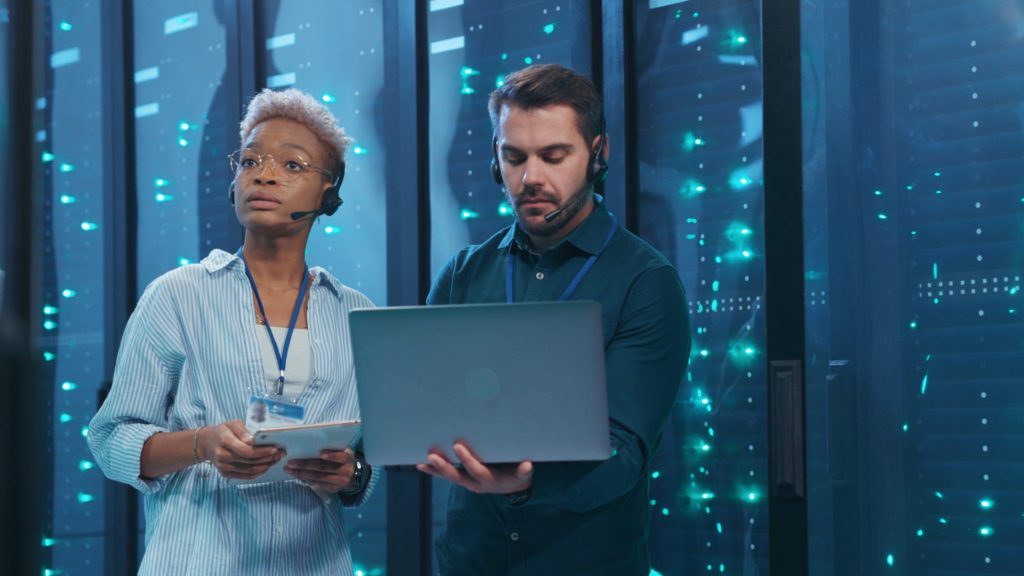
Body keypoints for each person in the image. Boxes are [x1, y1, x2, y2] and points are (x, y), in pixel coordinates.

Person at [418, 63, 692, 575]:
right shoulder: (462, 274)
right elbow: (424, 404)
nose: (531, 178)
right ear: (496, 161)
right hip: (471, 561)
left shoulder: (645, 283)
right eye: (514, 157)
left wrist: (527, 481)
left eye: (554, 156)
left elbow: (625, 452)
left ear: (598, 154)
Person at [88, 88, 374, 575]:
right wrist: (203, 444)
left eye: (292, 165)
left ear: (329, 195)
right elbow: (110, 440)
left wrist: (353, 476)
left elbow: (365, 457)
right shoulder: (178, 295)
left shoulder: (354, 313)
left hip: (314, 562)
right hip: (196, 560)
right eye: (249, 161)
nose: (263, 174)